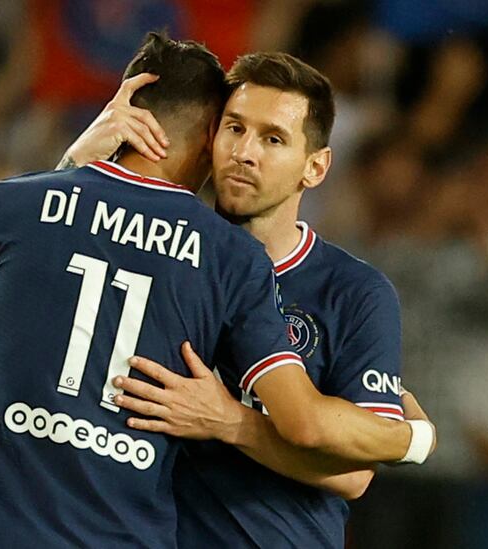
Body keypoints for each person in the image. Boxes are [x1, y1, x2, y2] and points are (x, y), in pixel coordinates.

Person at [61, 50, 435, 547]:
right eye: (234, 128)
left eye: (273, 139)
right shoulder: (157, 250)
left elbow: (351, 476)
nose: (244, 152)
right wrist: (77, 158)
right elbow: (44, 244)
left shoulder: (354, 293)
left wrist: (230, 422)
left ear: (315, 168)